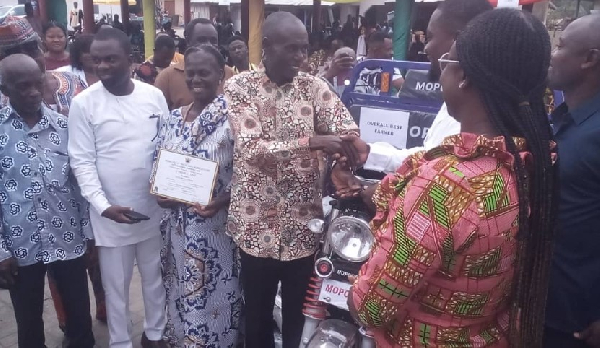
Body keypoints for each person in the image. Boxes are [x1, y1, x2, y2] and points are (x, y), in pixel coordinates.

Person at [347, 8, 557, 347]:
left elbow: (369, 307)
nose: (438, 63)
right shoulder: (530, 162)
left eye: (447, 59)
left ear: (465, 76)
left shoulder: (445, 185)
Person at [224, 11, 363, 348]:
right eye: (292, 49)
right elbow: (252, 148)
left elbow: (347, 129)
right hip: (257, 228)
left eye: (304, 49)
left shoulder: (313, 87)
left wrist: (347, 152)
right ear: (267, 47)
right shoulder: (240, 87)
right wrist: (314, 141)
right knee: (256, 315)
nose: (301, 57)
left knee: (299, 318)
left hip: (304, 226)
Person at [67, 27, 168, 348]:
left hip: (154, 210)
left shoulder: (152, 96)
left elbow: (168, 147)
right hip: (111, 215)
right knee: (116, 287)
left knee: (155, 280)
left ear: (131, 60)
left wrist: (172, 191)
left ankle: (154, 334)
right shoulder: (84, 104)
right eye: (97, 60)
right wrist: (103, 206)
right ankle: (120, 341)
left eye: (111, 59)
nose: (103, 66)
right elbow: (81, 161)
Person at [0, 54, 95, 348]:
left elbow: (79, 186)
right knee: (28, 319)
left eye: (36, 83)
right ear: (4, 89)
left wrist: (89, 235)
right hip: (20, 244)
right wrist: (1, 251)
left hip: (66, 238)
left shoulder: (63, 127)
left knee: (79, 313)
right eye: (21, 86)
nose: (31, 92)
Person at [155, 44, 242, 347]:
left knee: (214, 303)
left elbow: (249, 173)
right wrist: (160, 191)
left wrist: (222, 200)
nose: (195, 79)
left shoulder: (235, 119)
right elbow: (160, 165)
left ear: (220, 74)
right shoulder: (172, 119)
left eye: (203, 72)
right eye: (190, 73)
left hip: (215, 234)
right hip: (178, 234)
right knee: (180, 297)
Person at [362, 0, 492, 174]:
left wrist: (381, 196)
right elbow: (429, 156)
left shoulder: (476, 117)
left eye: (430, 37)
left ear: (459, 42)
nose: (426, 47)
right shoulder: (459, 102)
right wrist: (368, 153)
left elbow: (436, 172)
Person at [544, 14, 600, 348]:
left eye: (561, 45)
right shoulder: (562, 120)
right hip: (542, 307)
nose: (552, 54)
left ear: (590, 59)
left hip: (578, 323)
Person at [0, 17, 84, 116]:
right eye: (15, 53)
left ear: (41, 48)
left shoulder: (72, 81)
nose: (27, 58)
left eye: (31, 48)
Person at [155, 18, 235, 110]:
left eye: (213, 41)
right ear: (188, 41)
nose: (208, 45)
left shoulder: (230, 75)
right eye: (201, 40)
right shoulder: (166, 77)